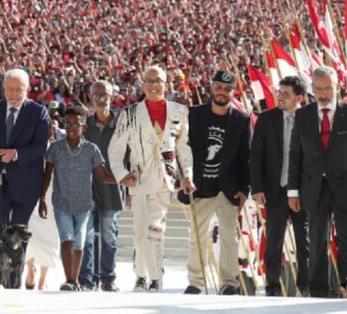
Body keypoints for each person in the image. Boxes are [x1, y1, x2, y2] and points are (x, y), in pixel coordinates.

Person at [288, 66, 347, 299]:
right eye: (319, 89)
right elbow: (295, 154)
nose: (324, 94)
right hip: (314, 187)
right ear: (312, 90)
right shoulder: (303, 115)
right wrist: (293, 191)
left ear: (337, 87)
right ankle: (317, 288)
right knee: (317, 237)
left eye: (328, 88)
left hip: (346, 186)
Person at [108, 65, 193, 293]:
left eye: (159, 81)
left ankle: (156, 277)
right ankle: (140, 276)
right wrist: (122, 174)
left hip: (165, 180)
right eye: (150, 80)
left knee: (156, 229)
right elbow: (115, 148)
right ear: (142, 84)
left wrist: (188, 175)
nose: (155, 85)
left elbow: (183, 148)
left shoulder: (179, 111)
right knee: (139, 231)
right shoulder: (130, 113)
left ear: (167, 84)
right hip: (138, 180)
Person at [0, 68, 50, 288]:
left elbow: (40, 146)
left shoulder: (38, 112)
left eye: (19, 89)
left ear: (27, 89)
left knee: (19, 233)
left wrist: (15, 154)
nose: (15, 94)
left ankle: (14, 281)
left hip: (25, 183)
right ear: (3, 89)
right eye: (10, 89)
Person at [183, 70, 251, 295]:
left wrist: (244, 189)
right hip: (200, 186)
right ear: (212, 88)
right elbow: (183, 149)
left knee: (229, 238)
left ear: (233, 92)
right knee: (197, 236)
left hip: (228, 188)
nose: (222, 92)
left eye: (227, 89)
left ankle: (229, 283)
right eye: (218, 87)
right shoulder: (194, 114)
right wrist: (183, 177)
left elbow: (245, 157)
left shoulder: (241, 119)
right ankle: (195, 282)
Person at [40, 106, 118, 291]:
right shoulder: (56, 148)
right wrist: (42, 198)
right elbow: (47, 174)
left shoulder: (92, 149)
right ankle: (70, 280)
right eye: (68, 124)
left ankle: (76, 279)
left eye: (76, 124)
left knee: (80, 242)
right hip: (61, 202)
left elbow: (104, 176)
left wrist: (125, 179)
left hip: (84, 205)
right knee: (66, 239)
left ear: (84, 126)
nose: (71, 128)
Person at [250, 76, 309, 297]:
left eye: (286, 94)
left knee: (305, 242)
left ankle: (305, 286)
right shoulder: (266, 119)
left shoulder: (310, 119)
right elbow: (256, 156)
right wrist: (257, 188)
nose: (280, 97)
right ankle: (272, 285)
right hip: (274, 191)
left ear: (299, 97)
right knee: (273, 240)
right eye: (279, 93)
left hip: (303, 192)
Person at [79, 80, 124, 292]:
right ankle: (86, 280)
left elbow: (130, 157)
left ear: (112, 96)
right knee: (86, 237)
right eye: (96, 95)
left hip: (112, 190)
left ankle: (108, 279)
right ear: (90, 97)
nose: (100, 98)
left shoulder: (122, 125)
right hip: (87, 190)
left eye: (104, 94)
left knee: (109, 237)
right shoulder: (84, 126)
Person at [24, 122, 60, 291]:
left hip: (34, 193)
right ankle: (41, 280)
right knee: (49, 236)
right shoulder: (56, 148)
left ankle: (31, 269)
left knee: (30, 232)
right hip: (48, 196)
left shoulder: (29, 147)